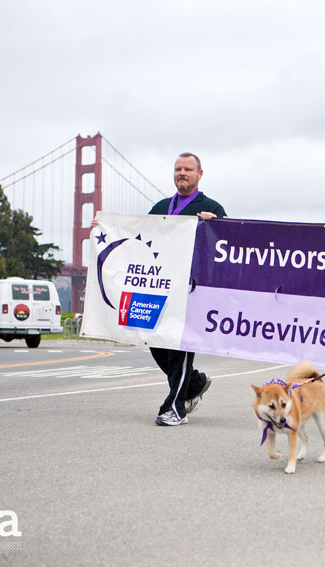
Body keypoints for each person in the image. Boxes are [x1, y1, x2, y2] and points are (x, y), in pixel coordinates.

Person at [92, 152, 226, 425]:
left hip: (190, 293)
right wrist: (102, 228)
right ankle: (194, 382)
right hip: (158, 290)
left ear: (200, 175)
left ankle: (175, 408)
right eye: (178, 169)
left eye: (188, 169)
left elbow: (227, 244)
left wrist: (217, 224)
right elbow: (138, 239)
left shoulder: (211, 207)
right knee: (154, 342)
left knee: (181, 348)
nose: (182, 173)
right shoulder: (160, 207)